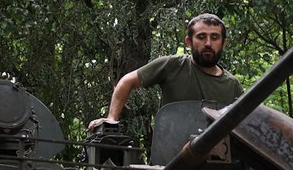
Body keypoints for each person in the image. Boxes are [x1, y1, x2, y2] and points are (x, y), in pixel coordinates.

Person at [88, 13, 244, 132]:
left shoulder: (232, 85)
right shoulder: (173, 66)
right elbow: (127, 81)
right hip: (169, 158)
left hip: (218, 166)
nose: (208, 43)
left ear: (223, 43)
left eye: (214, 37)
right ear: (189, 42)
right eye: (201, 37)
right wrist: (111, 118)